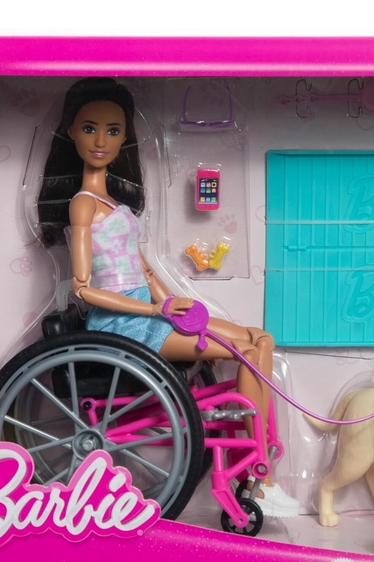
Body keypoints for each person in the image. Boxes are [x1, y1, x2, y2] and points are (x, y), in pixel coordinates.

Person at [38, 77, 299, 518]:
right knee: (248, 351)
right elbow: (84, 288)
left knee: (261, 339)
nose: (101, 141)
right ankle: (260, 476)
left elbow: (142, 268)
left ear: (125, 136)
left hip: (148, 311)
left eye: (113, 131)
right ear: (70, 131)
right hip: (120, 324)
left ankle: (256, 457)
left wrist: (175, 303)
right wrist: (155, 308)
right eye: (89, 129)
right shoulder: (82, 204)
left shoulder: (112, 201)